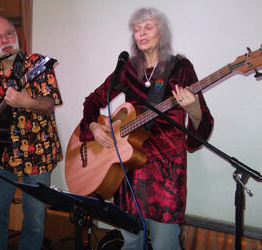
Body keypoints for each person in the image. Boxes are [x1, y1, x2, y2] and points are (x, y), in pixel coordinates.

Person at [79, 8, 213, 250]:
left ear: (161, 32)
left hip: (166, 174)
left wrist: (193, 109)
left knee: (164, 244)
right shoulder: (128, 69)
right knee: (130, 241)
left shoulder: (180, 68)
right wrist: (93, 128)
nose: (140, 33)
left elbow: (202, 126)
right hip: (128, 170)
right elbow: (92, 101)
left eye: (147, 27)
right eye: (137, 28)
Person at [0, 15, 63, 250]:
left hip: (37, 153)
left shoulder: (38, 64)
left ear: (16, 34)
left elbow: (49, 104)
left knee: (35, 219)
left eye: (8, 33)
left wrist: (28, 102)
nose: (5, 40)